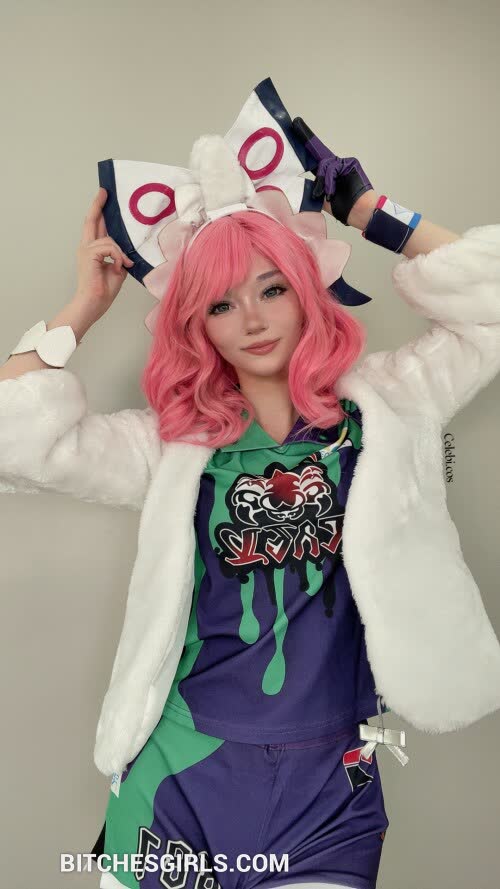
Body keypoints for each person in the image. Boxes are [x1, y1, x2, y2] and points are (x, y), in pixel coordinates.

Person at [2, 89, 500, 889]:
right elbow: (17, 441)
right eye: (222, 303)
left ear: (306, 288)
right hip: (179, 780)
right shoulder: (171, 444)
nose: (254, 320)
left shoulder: (391, 402)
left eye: (272, 288)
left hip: (327, 791)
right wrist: (82, 307)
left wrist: (374, 212)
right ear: (195, 323)